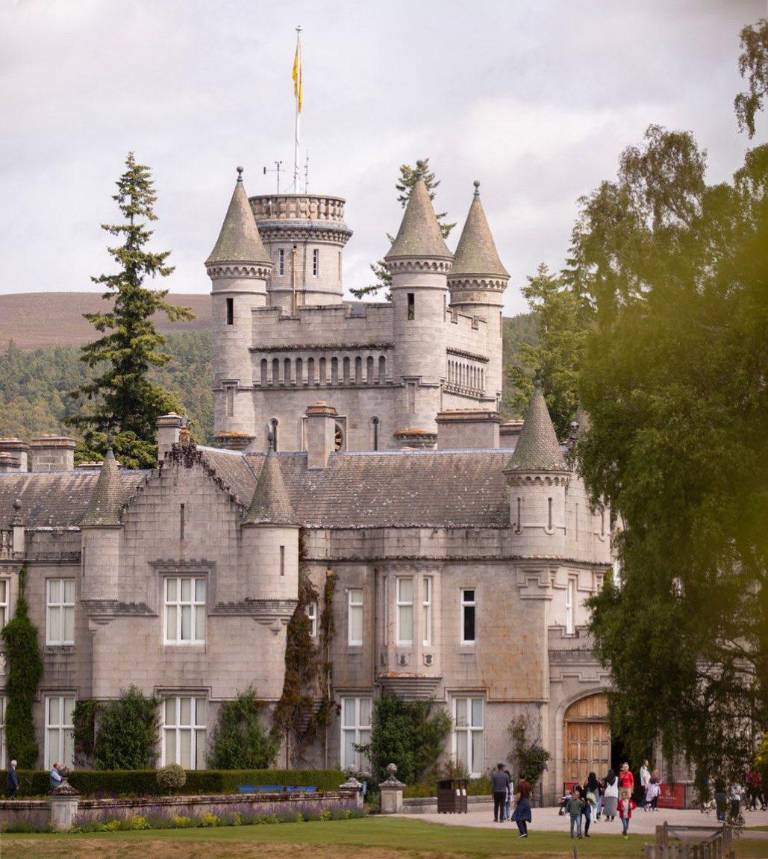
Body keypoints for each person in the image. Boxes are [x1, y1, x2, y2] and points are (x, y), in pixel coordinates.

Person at [512, 773, 532, 838]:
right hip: (527, 801)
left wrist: (515, 802)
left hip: (522, 802)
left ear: (519, 777)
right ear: (525, 777)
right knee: (523, 818)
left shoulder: (520, 785)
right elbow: (531, 794)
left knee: (517, 817)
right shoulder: (528, 784)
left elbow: (519, 794)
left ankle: (522, 832)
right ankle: (525, 833)